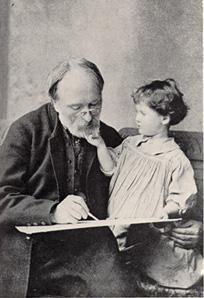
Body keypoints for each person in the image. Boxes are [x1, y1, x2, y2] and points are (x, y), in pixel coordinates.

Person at [0, 57, 133, 297]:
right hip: (32, 248)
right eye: (77, 107)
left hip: (88, 249)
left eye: (94, 105)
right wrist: (53, 211)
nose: (87, 117)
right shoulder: (25, 131)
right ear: (55, 102)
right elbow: (2, 198)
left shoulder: (109, 138)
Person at [85, 79, 203, 289]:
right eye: (136, 112)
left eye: (143, 113)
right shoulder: (131, 144)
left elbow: (182, 196)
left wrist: (167, 211)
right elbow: (111, 168)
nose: (136, 119)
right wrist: (100, 145)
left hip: (147, 228)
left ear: (165, 118)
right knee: (108, 252)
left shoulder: (174, 159)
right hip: (118, 218)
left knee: (158, 258)